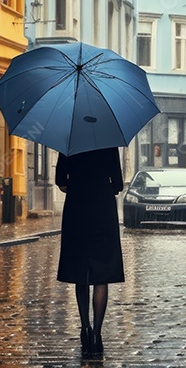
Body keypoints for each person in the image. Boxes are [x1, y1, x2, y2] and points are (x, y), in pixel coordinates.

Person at [56, 147, 125, 359]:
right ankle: (97, 334)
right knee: (101, 271)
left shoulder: (70, 142)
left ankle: (85, 328)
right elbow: (118, 184)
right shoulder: (109, 142)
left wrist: (78, 183)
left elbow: (61, 180)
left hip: (77, 208)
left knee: (80, 270)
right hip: (102, 209)